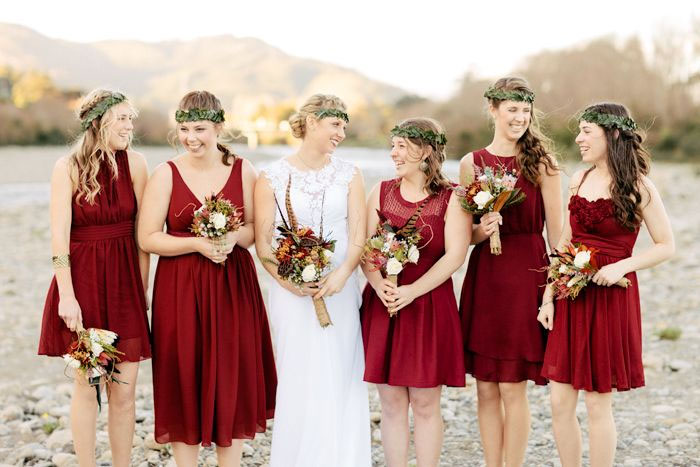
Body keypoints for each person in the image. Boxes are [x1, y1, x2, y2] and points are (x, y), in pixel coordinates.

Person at [138, 91, 276, 467]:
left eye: (199, 128)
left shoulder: (244, 170)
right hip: (179, 289)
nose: (190, 137)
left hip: (233, 287)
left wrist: (232, 238)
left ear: (218, 127)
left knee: (232, 374)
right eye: (183, 129)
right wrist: (198, 243)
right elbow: (147, 236)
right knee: (183, 374)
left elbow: (254, 231)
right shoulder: (166, 173)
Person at [537, 102, 674, 466]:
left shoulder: (640, 186)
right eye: (579, 131)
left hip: (611, 297)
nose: (578, 139)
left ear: (611, 135)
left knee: (598, 401)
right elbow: (565, 242)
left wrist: (622, 267)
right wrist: (548, 297)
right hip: (570, 292)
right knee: (559, 400)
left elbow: (666, 245)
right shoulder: (578, 180)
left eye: (586, 132)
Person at [254, 93, 370, 467]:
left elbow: (358, 237)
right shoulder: (271, 175)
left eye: (344, 126)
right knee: (299, 373)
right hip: (292, 295)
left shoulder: (350, 174)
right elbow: (264, 242)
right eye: (336, 124)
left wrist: (341, 275)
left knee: (341, 372)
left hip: (340, 288)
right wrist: (287, 281)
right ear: (313, 122)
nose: (341, 133)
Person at [38, 89, 151, 467]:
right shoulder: (67, 167)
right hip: (82, 285)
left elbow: (143, 236)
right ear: (99, 121)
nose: (129, 126)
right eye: (122, 118)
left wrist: (143, 290)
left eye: (131, 118)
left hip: (125, 286)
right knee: (87, 386)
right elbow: (59, 239)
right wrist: (67, 298)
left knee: (125, 392)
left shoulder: (136, 164)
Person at [459, 77, 562, 466]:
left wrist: (551, 292)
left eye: (525, 110)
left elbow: (559, 235)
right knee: (485, 388)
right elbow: (463, 234)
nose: (520, 117)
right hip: (486, 276)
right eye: (512, 109)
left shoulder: (542, 163)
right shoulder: (472, 163)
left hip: (526, 273)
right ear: (493, 109)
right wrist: (479, 231)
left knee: (512, 388)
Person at [361, 118, 470, 467]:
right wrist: (381, 287)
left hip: (429, 307)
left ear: (425, 152)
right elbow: (365, 250)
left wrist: (411, 292)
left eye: (401, 146)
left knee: (425, 404)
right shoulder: (379, 191)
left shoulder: (452, 197)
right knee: (390, 404)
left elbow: (455, 254)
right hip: (384, 305)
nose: (393, 153)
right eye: (392, 145)